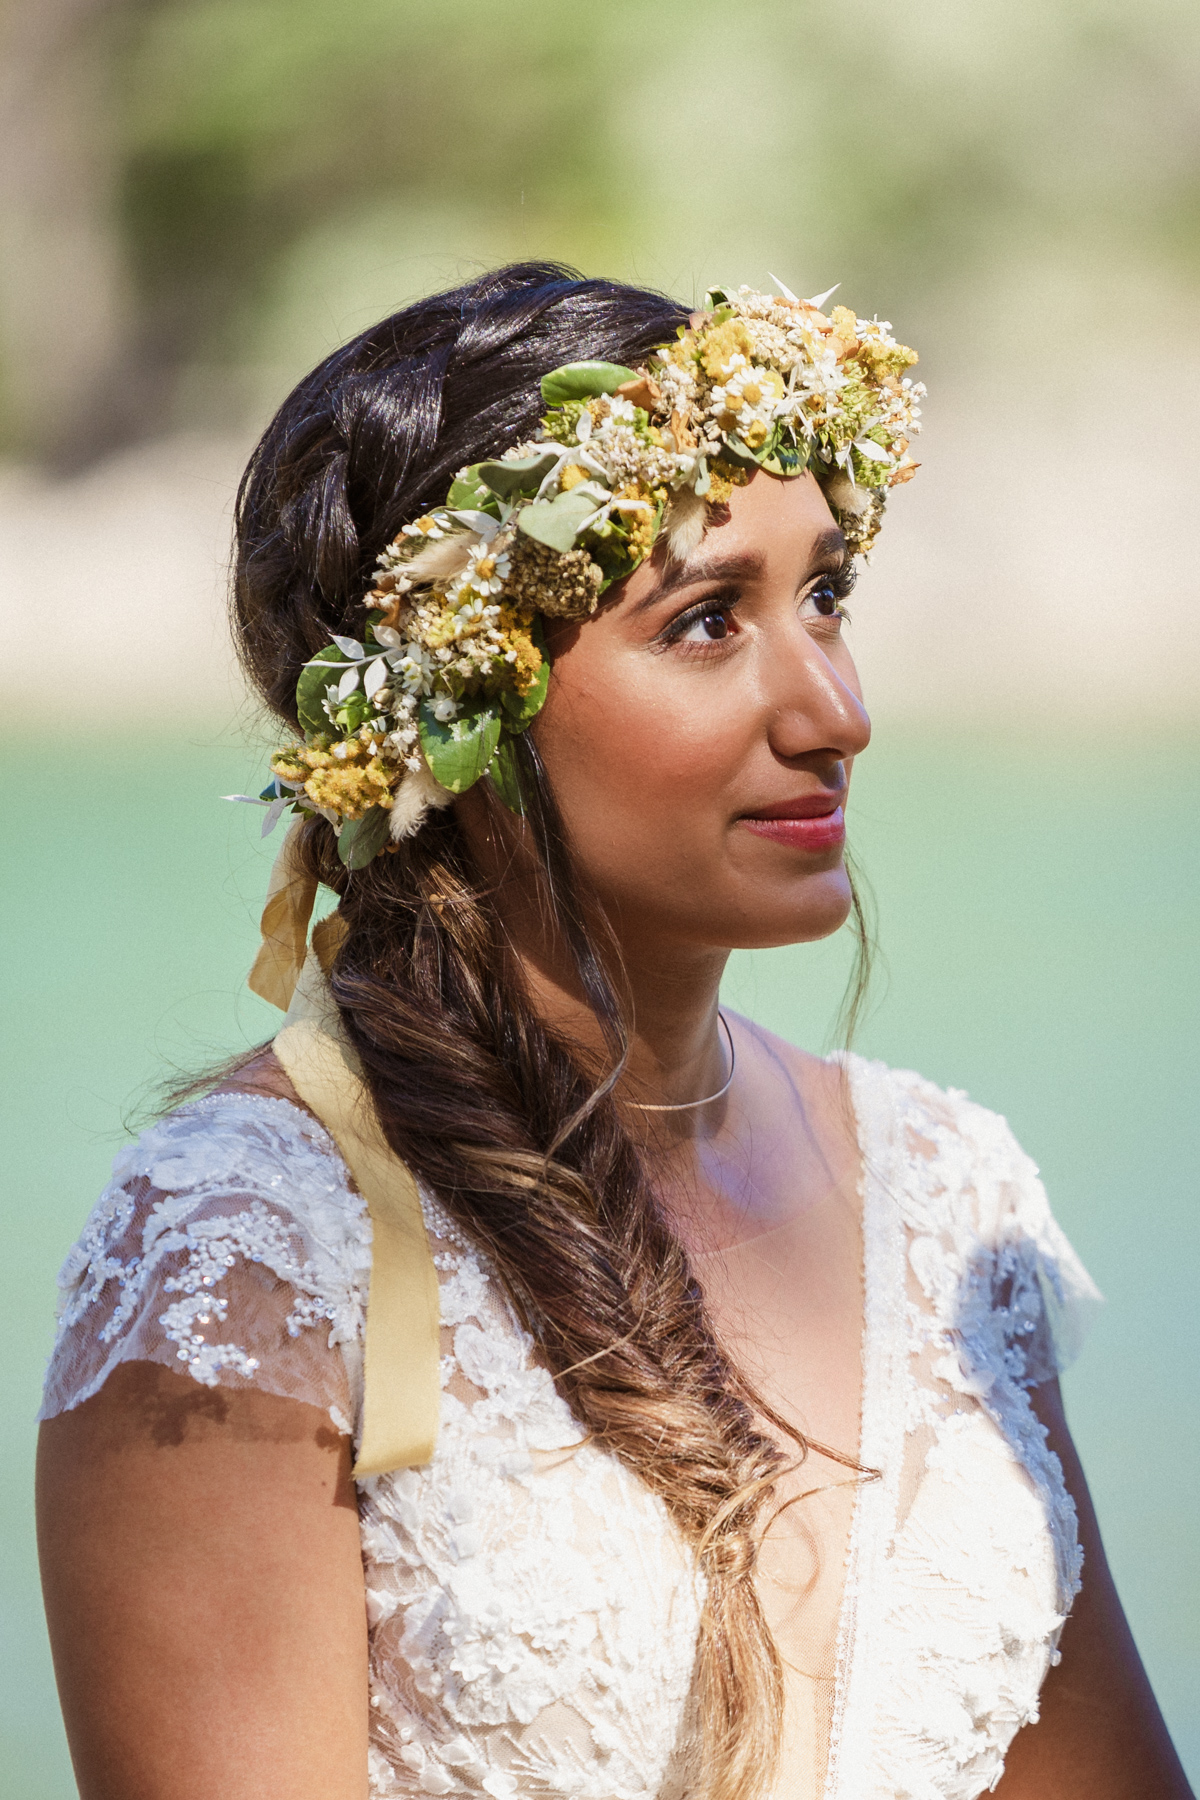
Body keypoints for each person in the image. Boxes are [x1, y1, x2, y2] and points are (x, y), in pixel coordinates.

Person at [35, 264, 1192, 1800]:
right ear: (458, 710)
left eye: (827, 594)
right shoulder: (250, 1255)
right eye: (710, 621)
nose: (833, 707)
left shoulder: (946, 1194)